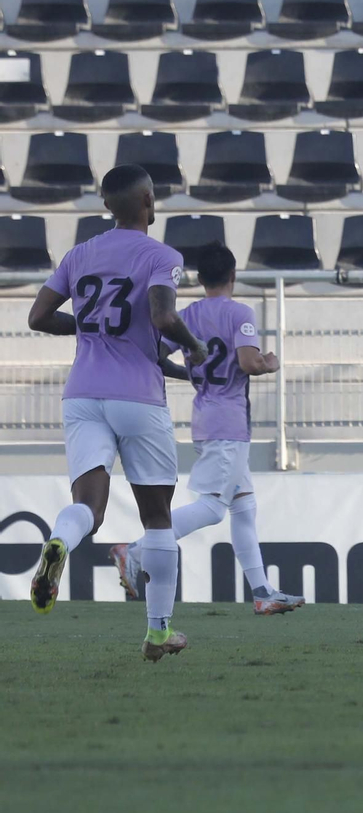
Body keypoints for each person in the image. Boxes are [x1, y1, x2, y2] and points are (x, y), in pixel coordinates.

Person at [25, 164, 206, 663]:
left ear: (107, 206)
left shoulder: (79, 254)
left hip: (82, 394)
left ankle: (59, 541)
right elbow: (164, 316)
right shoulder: (161, 255)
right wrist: (195, 348)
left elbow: (38, 317)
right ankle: (158, 631)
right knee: (158, 520)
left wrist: (85, 329)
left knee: (90, 507)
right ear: (149, 200)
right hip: (138, 399)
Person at [110, 245, 305, 616]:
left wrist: (188, 374)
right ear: (234, 276)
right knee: (214, 508)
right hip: (229, 423)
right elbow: (249, 363)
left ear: (199, 280)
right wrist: (271, 362)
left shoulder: (188, 315)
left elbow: (154, 354)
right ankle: (133, 549)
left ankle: (262, 591)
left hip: (206, 418)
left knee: (244, 507)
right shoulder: (240, 313)